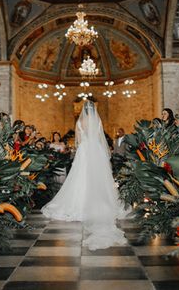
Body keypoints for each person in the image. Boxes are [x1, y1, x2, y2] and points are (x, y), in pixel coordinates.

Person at [42, 101, 127, 250]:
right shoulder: (98, 121)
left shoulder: (80, 122)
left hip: (84, 151)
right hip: (97, 150)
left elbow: (79, 140)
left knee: (80, 176)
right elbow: (101, 139)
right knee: (98, 178)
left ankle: (79, 204)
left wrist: (83, 146)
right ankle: (101, 203)